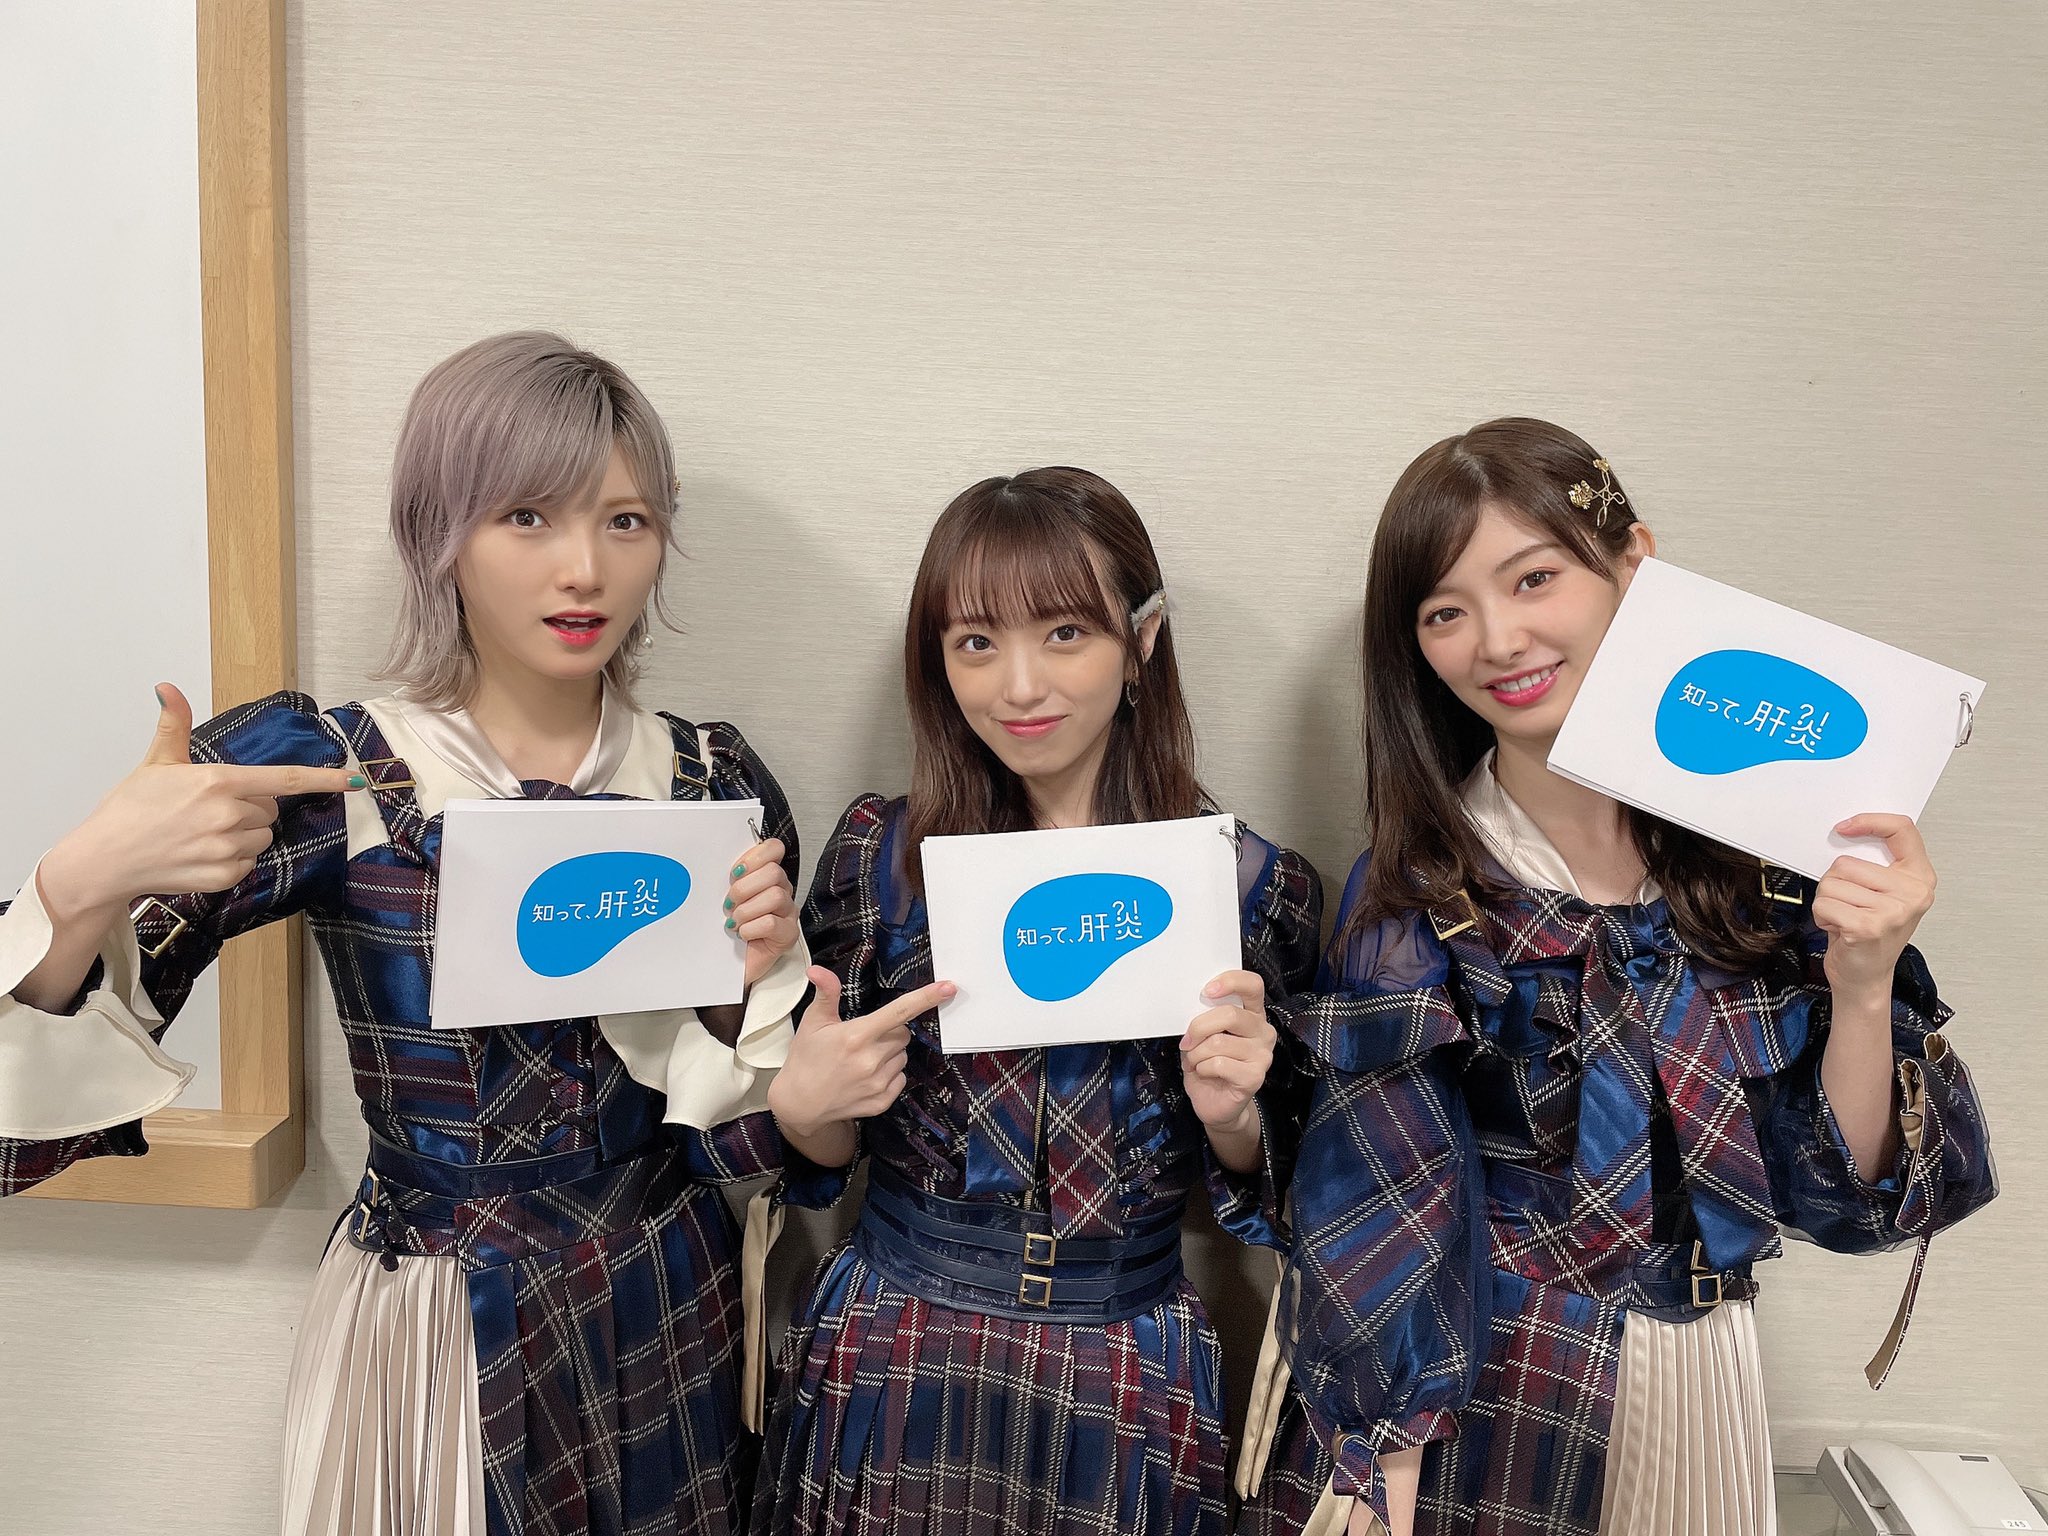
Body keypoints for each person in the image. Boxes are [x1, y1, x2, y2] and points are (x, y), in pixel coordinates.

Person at [0, 331, 808, 1536]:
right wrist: (83, 881)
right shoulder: (329, 770)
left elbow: (770, 1138)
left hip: (666, 1296)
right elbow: (22, 1122)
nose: (583, 568)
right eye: (526, 516)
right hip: (438, 1317)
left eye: (626, 521)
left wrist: (747, 996)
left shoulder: (708, 782)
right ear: (439, 532)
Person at [1235, 418, 1996, 1536]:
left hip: (1704, 1377)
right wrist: (1379, 1467)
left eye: (1533, 578)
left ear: (1631, 562)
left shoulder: (1759, 866)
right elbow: (1377, 1194)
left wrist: (1866, 978)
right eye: (1444, 612)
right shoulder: (1416, 897)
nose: (1499, 640)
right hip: (1489, 1388)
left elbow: (1842, 1199)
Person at [751, 466, 1322, 1536]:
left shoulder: (1249, 887)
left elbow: (1279, 1181)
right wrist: (806, 1105)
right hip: (896, 1342)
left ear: (1142, 640)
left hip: (1124, 1362)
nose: (1019, 687)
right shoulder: (881, 858)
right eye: (975, 642)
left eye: (1065, 633)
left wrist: (1235, 1117)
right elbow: (822, 1155)